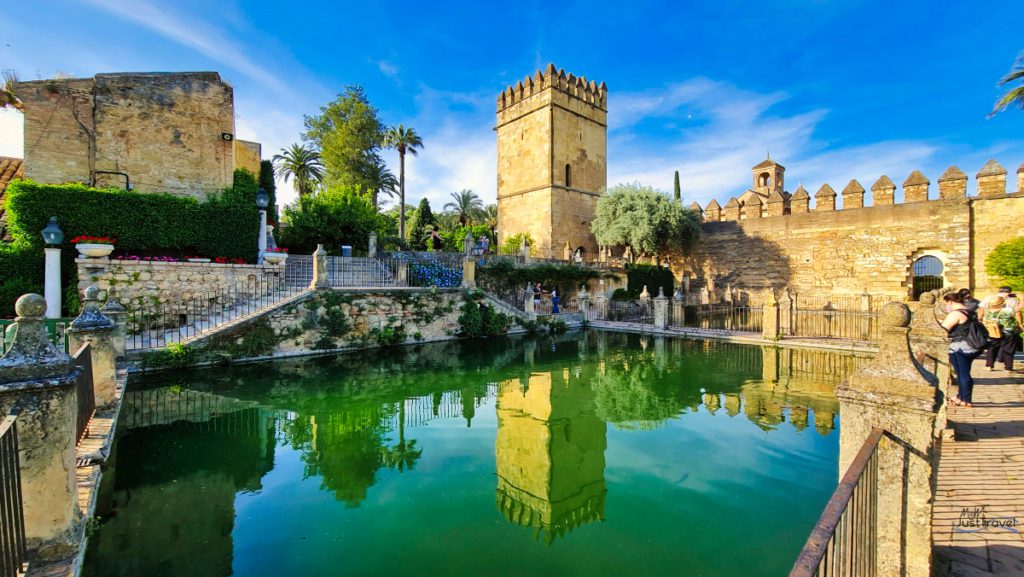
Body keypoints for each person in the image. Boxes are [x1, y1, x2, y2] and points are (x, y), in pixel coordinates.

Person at [942, 291, 981, 407]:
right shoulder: (971, 312)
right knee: (965, 373)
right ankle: (961, 396)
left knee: (962, 374)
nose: (947, 306)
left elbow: (945, 328)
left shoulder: (956, 314)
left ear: (951, 302)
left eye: (947, 303)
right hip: (972, 346)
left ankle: (965, 399)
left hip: (960, 346)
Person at [983, 295, 1019, 371]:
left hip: (994, 332)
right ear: (1002, 302)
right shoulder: (1008, 310)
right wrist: (1020, 297)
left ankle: (989, 365)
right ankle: (1008, 367)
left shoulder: (987, 311)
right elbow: (1019, 308)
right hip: (1008, 332)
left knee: (992, 348)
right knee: (1008, 349)